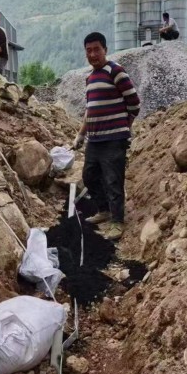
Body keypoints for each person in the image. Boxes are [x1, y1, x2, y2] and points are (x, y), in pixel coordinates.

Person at [73, 32, 140, 241]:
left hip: (113, 139)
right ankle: (104, 210)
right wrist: (80, 135)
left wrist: (124, 127)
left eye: (96, 49)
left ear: (105, 50)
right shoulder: (90, 78)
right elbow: (89, 110)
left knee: (113, 180)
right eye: (88, 50)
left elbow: (135, 104)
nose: (93, 54)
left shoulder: (116, 72)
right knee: (89, 176)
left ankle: (117, 221)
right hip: (94, 139)